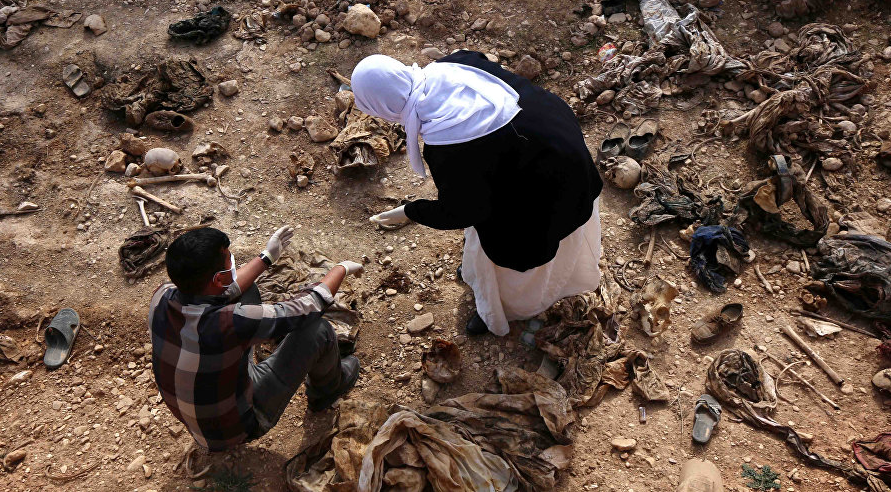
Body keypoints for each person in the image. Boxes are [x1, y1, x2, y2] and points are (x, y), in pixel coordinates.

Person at [352, 50, 603, 337]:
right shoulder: (451, 64)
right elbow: (484, 64)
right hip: (559, 142)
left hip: (549, 190)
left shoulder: (450, 149)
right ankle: (481, 283)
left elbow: (463, 211)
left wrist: (412, 211)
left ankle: (507, 310)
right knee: (492, 224)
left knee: (517, 253)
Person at [148, 225, 361, 451]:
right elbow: (307, 306)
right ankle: (327, 390)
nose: (233, 263)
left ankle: (269, 352)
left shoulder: (162, 294)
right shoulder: (232, 322)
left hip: (202, 419)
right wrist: (341, 269)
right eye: (230, 259)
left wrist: (266, 257)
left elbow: (226, 288)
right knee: (318, 329)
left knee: (247, 291)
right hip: (237, 426)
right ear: (218, 279)